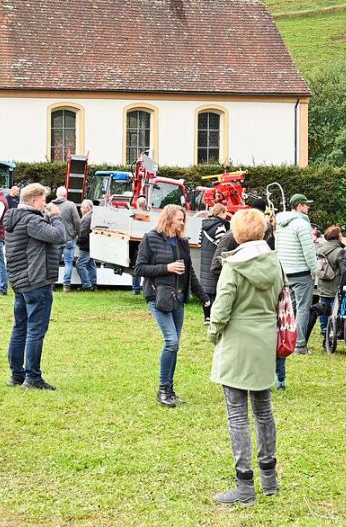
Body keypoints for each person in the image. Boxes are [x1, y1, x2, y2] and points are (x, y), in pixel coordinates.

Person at [208, 208, 283, 506]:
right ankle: (270, 478)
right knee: (264, 411)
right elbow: (281, 297)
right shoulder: (275, 262)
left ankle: (244, 484)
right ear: (263, 232)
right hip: (265, 339)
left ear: (237, 234)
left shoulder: (233, 265)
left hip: (237, 342)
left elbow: (222, 308)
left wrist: (213, 332)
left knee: (237, 414)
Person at [135, 204, 210, 407]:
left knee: (175, 346)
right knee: (172, 342)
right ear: (168, 218)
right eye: (179, 219)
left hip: (178, 299)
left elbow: (189, 272)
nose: (182, 222)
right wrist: (166, 268)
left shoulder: (182, 241)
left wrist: (203, 296)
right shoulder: (150, 238)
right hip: (158, 297)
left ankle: (169, 389)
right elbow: (140, 268)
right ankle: (162, 390)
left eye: (183, 219)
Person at [3, 184, 66, 391]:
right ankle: (33, 377)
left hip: (20, 281)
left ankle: (16, 374)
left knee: (20, 327)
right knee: (35, 330)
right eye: (42, 200)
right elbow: (58, 236)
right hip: (36, 280)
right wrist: (56, 216)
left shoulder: (15, 218)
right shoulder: (31, 220)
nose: (45, 204)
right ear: (32, 201)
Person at [275, 194, 318, 355]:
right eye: (306, 205)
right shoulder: (302, 224)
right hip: (301, 272)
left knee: (289, 308)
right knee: (302, 308)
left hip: (285, 271)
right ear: (299, 206)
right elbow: (308, 251)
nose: (308, 208)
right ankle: (300, 344)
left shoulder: (282, 223)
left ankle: (286, 340)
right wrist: (314, 270)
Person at [199, 204, 230, 324]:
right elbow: (222, 244)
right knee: (215, 288)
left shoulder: (204, 225)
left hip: (205, 259)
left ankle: (206, 316)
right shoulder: (220, 226)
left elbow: (200, 242)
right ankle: (214, 315)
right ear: (221, 213)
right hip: (214, 259)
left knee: (206, 289)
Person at [316, 226, 346, 336]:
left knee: (323, 304)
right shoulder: (340, 251)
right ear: (337, 237)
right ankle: (332, 328)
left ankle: (324, 328)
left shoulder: (320, 249)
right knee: (334, 306)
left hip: (323, 282)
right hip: (335, 283)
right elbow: (343, 269)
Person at [52, 186, 84, 292]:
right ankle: (66, 285)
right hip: (69, 238)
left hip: (55, 239)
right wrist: (78, 234)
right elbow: (77, 221)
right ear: (66, 195)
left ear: (57, 195)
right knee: (68, 262)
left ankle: (52, 284)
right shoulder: (71, 205)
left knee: (54, 262)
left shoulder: (50, 205)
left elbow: (45, 222)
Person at [75, 199, 97, 291]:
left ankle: (87, 285)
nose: (80, 209)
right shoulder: (92, 216)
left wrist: (77, 241)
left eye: (82, 207)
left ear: (87, 208)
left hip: (86, 246)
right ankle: (93, 283)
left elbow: (83, 234)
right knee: (91, 264)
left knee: (80, 264)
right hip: (92, 245)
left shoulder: (86, 218)